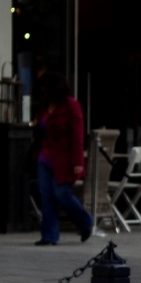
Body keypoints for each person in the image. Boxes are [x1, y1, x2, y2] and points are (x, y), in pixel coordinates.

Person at [32, 73, 93, 245]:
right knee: (46, 196)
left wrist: (78, 162)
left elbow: (77, 135)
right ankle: (49, 235)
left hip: (64, 159)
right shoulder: (45, 106)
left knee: (61, 194)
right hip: (45, 157)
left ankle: (84, 221)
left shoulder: (70, 106)